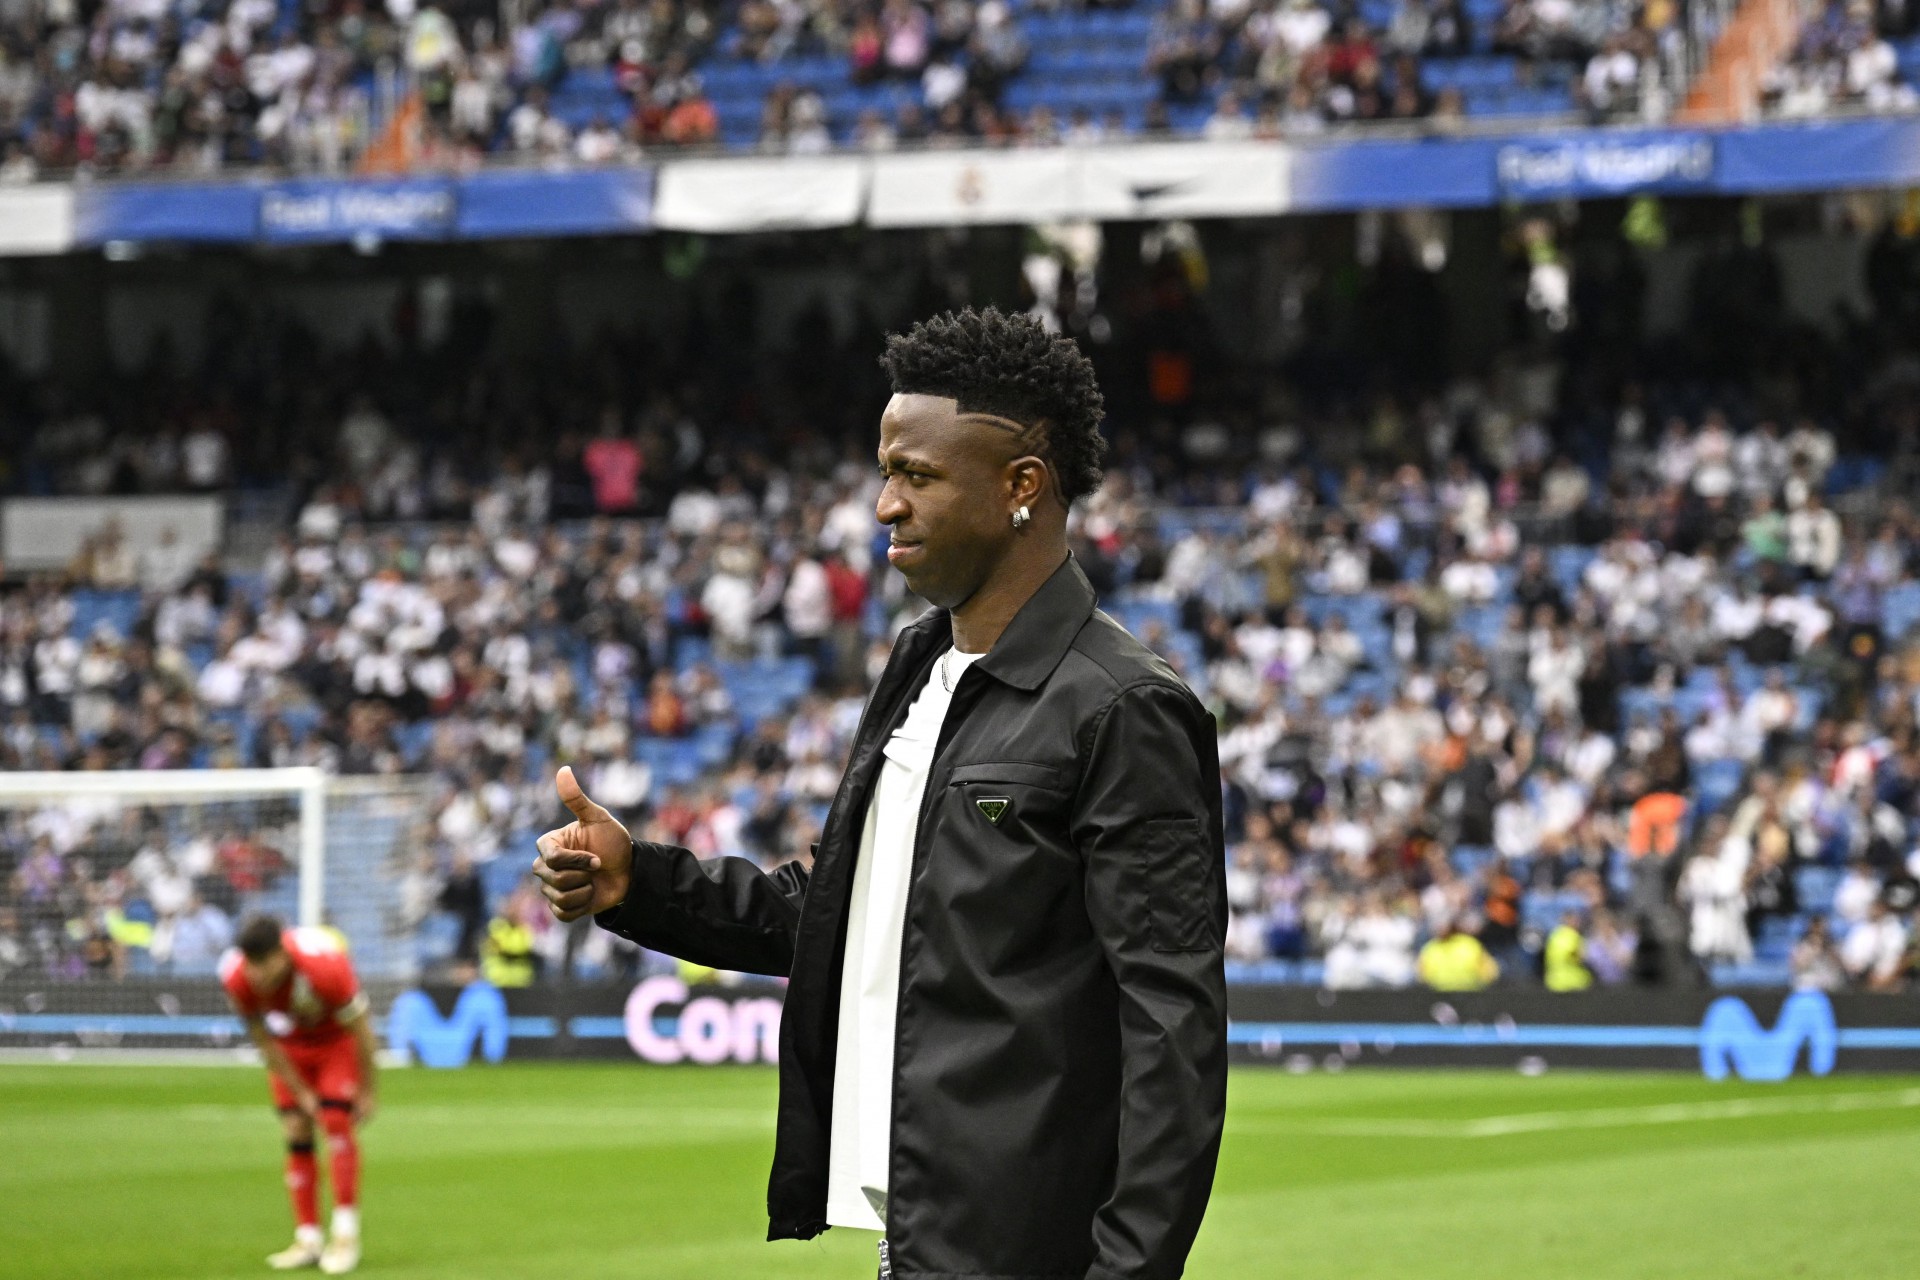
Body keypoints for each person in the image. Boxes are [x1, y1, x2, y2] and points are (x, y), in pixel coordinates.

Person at [535, 308, 1227, 1279]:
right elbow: (841, 908)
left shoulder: (1122, 704)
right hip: (917, 1236)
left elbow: (1173, 1028)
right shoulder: (916, 666)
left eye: (916, 473)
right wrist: (635, 882)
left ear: (1022, 485)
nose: (883, 504)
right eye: (885, 470)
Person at [219, 916, 377, 1274]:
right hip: (291, 1048)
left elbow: (363, 1029)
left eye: (264, 964)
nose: (258, 975)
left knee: (336, 1121)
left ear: (283, 953)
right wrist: (301, 1091)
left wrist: (369, 1090)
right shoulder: (237, 978)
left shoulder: (325, 968)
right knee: (295, 1130)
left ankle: (345, 1236)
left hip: (336, 1042)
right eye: (251, 966)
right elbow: (264, 1041)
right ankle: (307, 1239)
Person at [1418, 916, 1500, 990]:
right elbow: (1422, 975)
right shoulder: (1430, 948)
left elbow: (1490, 972)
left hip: (1470, 994)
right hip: (1439, 996)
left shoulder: (1470, 944)